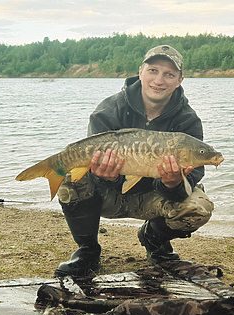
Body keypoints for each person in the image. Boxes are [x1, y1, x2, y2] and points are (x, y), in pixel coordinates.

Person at [55, 45, 214, 277]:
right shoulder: (108, 111)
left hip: (155, 200)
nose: (159, 80)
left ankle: (154, 239)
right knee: (69, 180)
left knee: (197, 208)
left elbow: (190, 180)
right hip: (109, 196)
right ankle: (87, 249)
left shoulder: (188, 122)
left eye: (169, 74)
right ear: (140, 72)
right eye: (153, 70)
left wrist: (172, 184)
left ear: (180, 80)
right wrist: (104, 176)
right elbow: (94, 168)